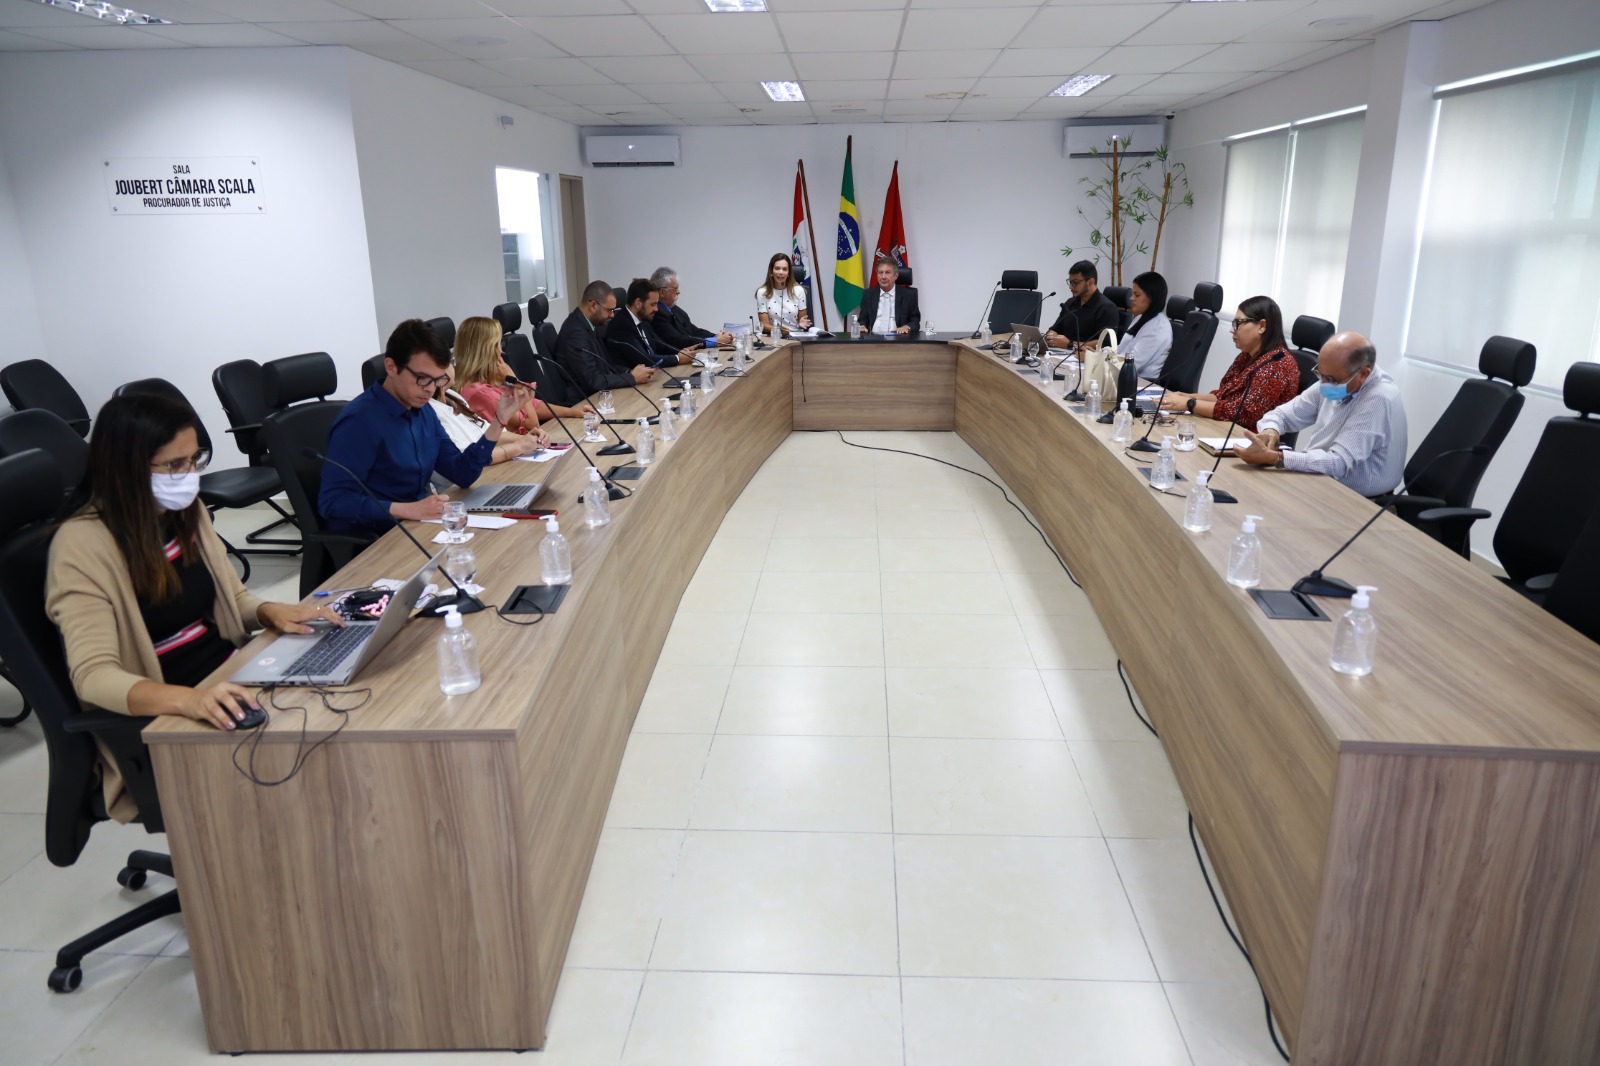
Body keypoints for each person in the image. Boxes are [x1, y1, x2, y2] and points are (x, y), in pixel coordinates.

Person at [44, 393, 344, 818]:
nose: (188, 476)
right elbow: (93, 677)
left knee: (341, 723)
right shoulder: (82, 545)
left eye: (194, 460)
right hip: (171, 713)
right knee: (318, 770)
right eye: (174, 465)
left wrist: (270, 612)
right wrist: (190, 701)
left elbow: (231, 599)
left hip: (230, 679)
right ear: (125, 467)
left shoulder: (184, 512)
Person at [320, 318, 529, 535]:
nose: (430, 389)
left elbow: (462, 473)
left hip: (420, 525)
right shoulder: (359, 421)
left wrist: (499, 422)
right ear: (391, 367)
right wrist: (407, 509)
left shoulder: (424, 411)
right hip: (378, 537)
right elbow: (333, 502)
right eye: (422, 379)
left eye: (437, 380)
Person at [1236, 332, 1409, 497]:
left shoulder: (1378, 398)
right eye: (1320, 374)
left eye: (1331, 379)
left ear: (1363, 374)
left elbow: (1337, 463)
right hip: (1318, 482)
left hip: (1356, 500)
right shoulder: (1335, 378)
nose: (1323, 384)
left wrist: (1276, 458)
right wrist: (1271, 430)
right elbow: (1282, 415)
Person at [1159, 295, 1299, 432]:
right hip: (1226, 429)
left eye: (1238, 323)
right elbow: (1222, 396)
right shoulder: (1247, 355)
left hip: (1250, 439)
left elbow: (1243, 414)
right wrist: (1187, 397)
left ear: (1262, 326)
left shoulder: (1278, 363)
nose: (1232, 329)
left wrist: (1189, 404)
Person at [452, 316, 590, 433]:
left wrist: (572, 412)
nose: (501, 350)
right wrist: (516, 383)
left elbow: (534, 405)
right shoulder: (480, 393)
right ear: (486, 350)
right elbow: (531, 424)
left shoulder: (489, 378)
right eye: (498, 344)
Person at [556, 280, 654, 396]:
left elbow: (607, 366)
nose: (612, 315)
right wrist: (632, 377)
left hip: (600, 395)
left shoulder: (588, 324)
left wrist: (630, 372)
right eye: (609, 310)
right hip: (585, 400)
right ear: (593, 305)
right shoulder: (575, 333)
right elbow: (593, 381)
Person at [604, 277, 699, 369]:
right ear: (638, 303)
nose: (656, 309)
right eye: (653, 304)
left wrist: (681, 352)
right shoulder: (622, 325)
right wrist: (677, 358)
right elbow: (643, 359)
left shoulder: (643, 318)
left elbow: (660, 345)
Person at [651, 266, 733, 350]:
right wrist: (715, 341)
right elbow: (679, 341)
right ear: (662, 292)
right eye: (675, 289)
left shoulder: (674, 309)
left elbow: (694, 331)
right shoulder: (657, 313)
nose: (679, 292)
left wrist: (718, 337)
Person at [1044, 259, 1120, 348]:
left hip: (1086, 356)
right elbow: (1055, 329)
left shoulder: (1107, 308)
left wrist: (1070, 345)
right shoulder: (1070, 303)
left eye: (1075, 283)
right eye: (1070, 282)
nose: (1070, 287)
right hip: (1060, 353)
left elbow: (1105, 343)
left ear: (1090, 282)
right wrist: (1051, 336)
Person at [1122, 271, 1172, 380]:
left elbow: (1132, 364)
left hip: (1141, 383)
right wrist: (1098, 355)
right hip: (1125, 377)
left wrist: (1101, 362)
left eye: (1137, 295)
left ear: (1152, 298)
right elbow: (1120, 351)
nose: (1131, 298)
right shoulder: (1141, 318)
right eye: (1132, 294)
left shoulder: (1158, 327)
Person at [857, 257, 921, 336]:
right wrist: (862, 326)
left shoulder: (909, 295)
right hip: (873, 339)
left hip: (898, 339)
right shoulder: (868, 294)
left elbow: (915, 321)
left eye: (887, 272)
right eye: (880, 273)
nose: (883, 277)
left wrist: (906, 327)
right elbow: (862, 319)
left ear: (896, 275)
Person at [755, 253, 811, 335]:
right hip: (774, 335)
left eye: (784, 269)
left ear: (789, 273)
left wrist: (802, 323)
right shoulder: (763, 292)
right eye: (777, 268)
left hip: (795, 335)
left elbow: (802, 321)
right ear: (771, 271)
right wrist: (778, 329)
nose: (781, 272)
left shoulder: (799, 291)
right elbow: (763, 325)